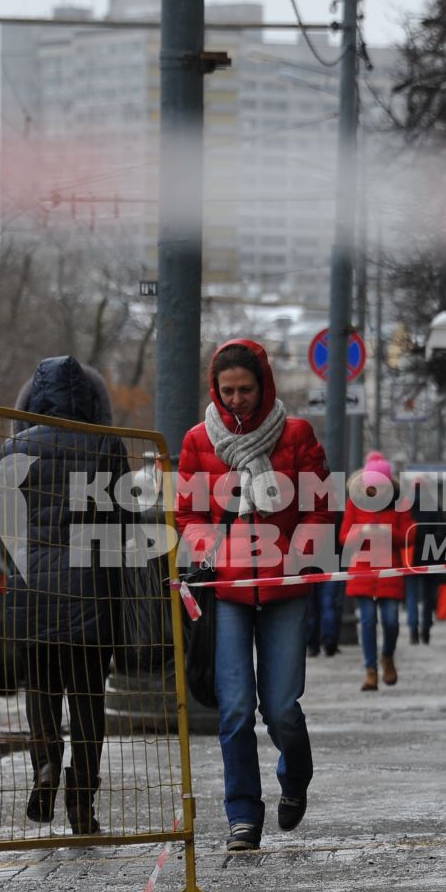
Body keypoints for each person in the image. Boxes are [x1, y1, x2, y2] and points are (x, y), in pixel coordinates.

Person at [175, 338, 330, 852]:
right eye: (227, 391)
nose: (236, 399)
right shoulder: (199, 440)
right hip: (227, 590)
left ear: (263, 386)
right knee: (236, 708)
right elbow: (188, 515)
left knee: (282, 706)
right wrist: (211, 550)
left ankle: (296, 774)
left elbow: (321, 506)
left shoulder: (298, 434)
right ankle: (243, 815)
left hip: (285, 586)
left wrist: (298, 548)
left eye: (245, 389)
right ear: (215, 392)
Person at [0, 356, 124, 836]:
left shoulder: (11, 448)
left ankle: (45, 764)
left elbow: (5, 526)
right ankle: (82, 800)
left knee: (42, 691)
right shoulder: (106, 445)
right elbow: (118, 527)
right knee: (89, 699)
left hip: (31, 594)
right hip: (90, 595)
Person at [340, 451, 414, 691]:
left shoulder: (399, 504)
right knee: (368, 621)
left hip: (389, 572)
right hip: (362, 570)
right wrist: (360, 533)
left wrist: (387, 532)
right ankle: (370, 670)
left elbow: (408, 537)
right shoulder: (355, 502)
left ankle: (388, 657)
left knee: (391, 621)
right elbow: (343, 538)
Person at [403, 471, 446, 645]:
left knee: (412, 596)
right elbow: (442, 534)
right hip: (430, 558)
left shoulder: (406, 507)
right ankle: (425, 629)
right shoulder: (434, 507)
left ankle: (413, 629)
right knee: (428, 596)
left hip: (410, 557)